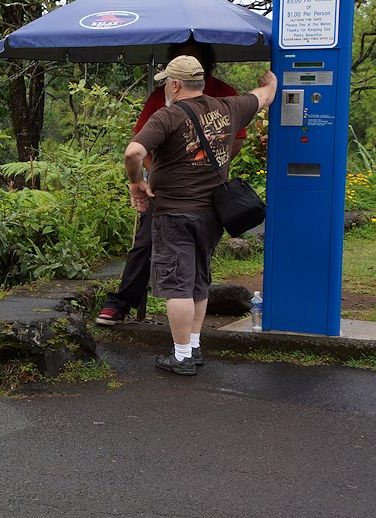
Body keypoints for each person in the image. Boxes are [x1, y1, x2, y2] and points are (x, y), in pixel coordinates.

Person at [124, 55, 276, 375]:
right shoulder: (228, 108)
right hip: (212, 215)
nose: (167, 88)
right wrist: (271, 82)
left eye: (167, 83)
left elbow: (134, 152)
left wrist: (136, 183)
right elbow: (263, 97)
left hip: (174, 214)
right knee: (197, 280)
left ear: (176, 85)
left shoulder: (168, 116)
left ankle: (181, 357)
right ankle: (192, 346)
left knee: (178, 285)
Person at [97, 40, 244, 327]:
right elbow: (140, 143)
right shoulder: (160, 96)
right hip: (165, 191)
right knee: (145, 243)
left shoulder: (223, 93)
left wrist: (208, 167)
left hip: (207, 191)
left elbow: (237, 141)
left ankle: (186, 339)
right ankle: (122, 303)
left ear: (205, 64)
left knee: (197, 255)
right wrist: (155, 175)